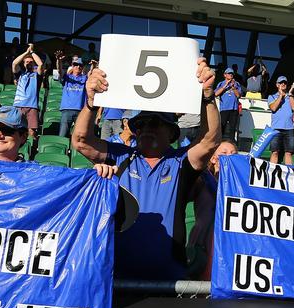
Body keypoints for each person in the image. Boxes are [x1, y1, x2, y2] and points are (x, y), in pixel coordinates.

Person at [72, 57, 220, 281]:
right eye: (141, 124)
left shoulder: (180, 162)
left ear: (171, 133)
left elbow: (209, 141)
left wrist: (207, 97)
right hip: (118, 279)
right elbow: (81, 141)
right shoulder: (120, 156)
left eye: (155, 122)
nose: (146, 128)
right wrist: (91, 102)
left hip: (169, 282)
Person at [187, 140, 238, 280]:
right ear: (214, 158)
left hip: (228, 245)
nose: (229, 157)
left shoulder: (241, 187)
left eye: (233, 154)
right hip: (203, 243)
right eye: (224, 153)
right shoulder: (202, 180)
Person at [12, 43, 43, 139]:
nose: (29, 63)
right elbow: (14, 63)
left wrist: (32, 52)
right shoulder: (19, 74)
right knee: (15, 130)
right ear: (24, 64)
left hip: (32, 106)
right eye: (27, 62)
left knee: (31, 132)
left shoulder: (37, 75)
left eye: (31, 62)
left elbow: (41, 64)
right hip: (18, 105)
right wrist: (26, 52)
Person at [55, 52, 87, 137]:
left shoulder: (85, 78)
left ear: (83, 67)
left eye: (80, 65)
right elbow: (60, 71)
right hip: (67, 109)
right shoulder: (67, 77)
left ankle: (74, 150)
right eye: (76, 65)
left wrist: (94, 66)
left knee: (78, 136)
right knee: (63, 134)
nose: (78, 67)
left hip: (80, 111)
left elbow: (91, 74)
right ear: (72, 66)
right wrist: (59, 60)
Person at [267, 76, 294, 164]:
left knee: (288, 153)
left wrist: (290, 93)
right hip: (276, 128)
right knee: (274, 152)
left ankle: (290, 174)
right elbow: (273, 108)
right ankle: (272, 173)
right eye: (281, 83)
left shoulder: (292, 97)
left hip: (289, 128)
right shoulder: (271, 96)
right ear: (277, 85)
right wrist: (280, 96)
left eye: (285, 83)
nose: (283, 84)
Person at [215, 67, 242, 142]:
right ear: (225, 75)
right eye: (229, 73)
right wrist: (225, 85)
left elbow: (238, 95)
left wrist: (233, 88)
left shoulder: (237, 84)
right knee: (222, 126)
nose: (231, 75)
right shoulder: (221, 83)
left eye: (232, 73)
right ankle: (219, 142)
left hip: (234, 109)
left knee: (232, 128)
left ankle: (232, 143)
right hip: (224, 108)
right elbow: (216, 94)